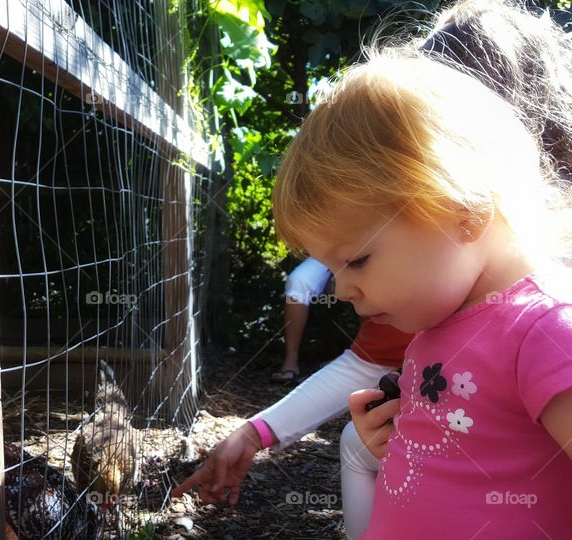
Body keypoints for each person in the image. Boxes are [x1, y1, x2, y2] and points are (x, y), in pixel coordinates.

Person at [173, 1, 572, 536]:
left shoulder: (545, 330)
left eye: (357, 258)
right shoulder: (437, 311)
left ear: (468, 207)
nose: (340, 287)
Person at [270, 257, 333, 384]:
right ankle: (291, 362)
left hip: (367, 252)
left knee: (365, 281)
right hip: (328, 255)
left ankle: (367, 356)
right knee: (298, 281)